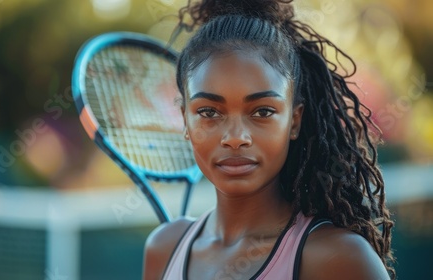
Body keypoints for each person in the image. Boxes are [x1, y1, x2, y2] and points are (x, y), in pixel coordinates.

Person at [143, 0, 395, 279]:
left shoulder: (339, 259)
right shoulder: (163, 249)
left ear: (294, 121)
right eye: (208, 112)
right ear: (185, 120)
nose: (236, 138)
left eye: (262, 111)